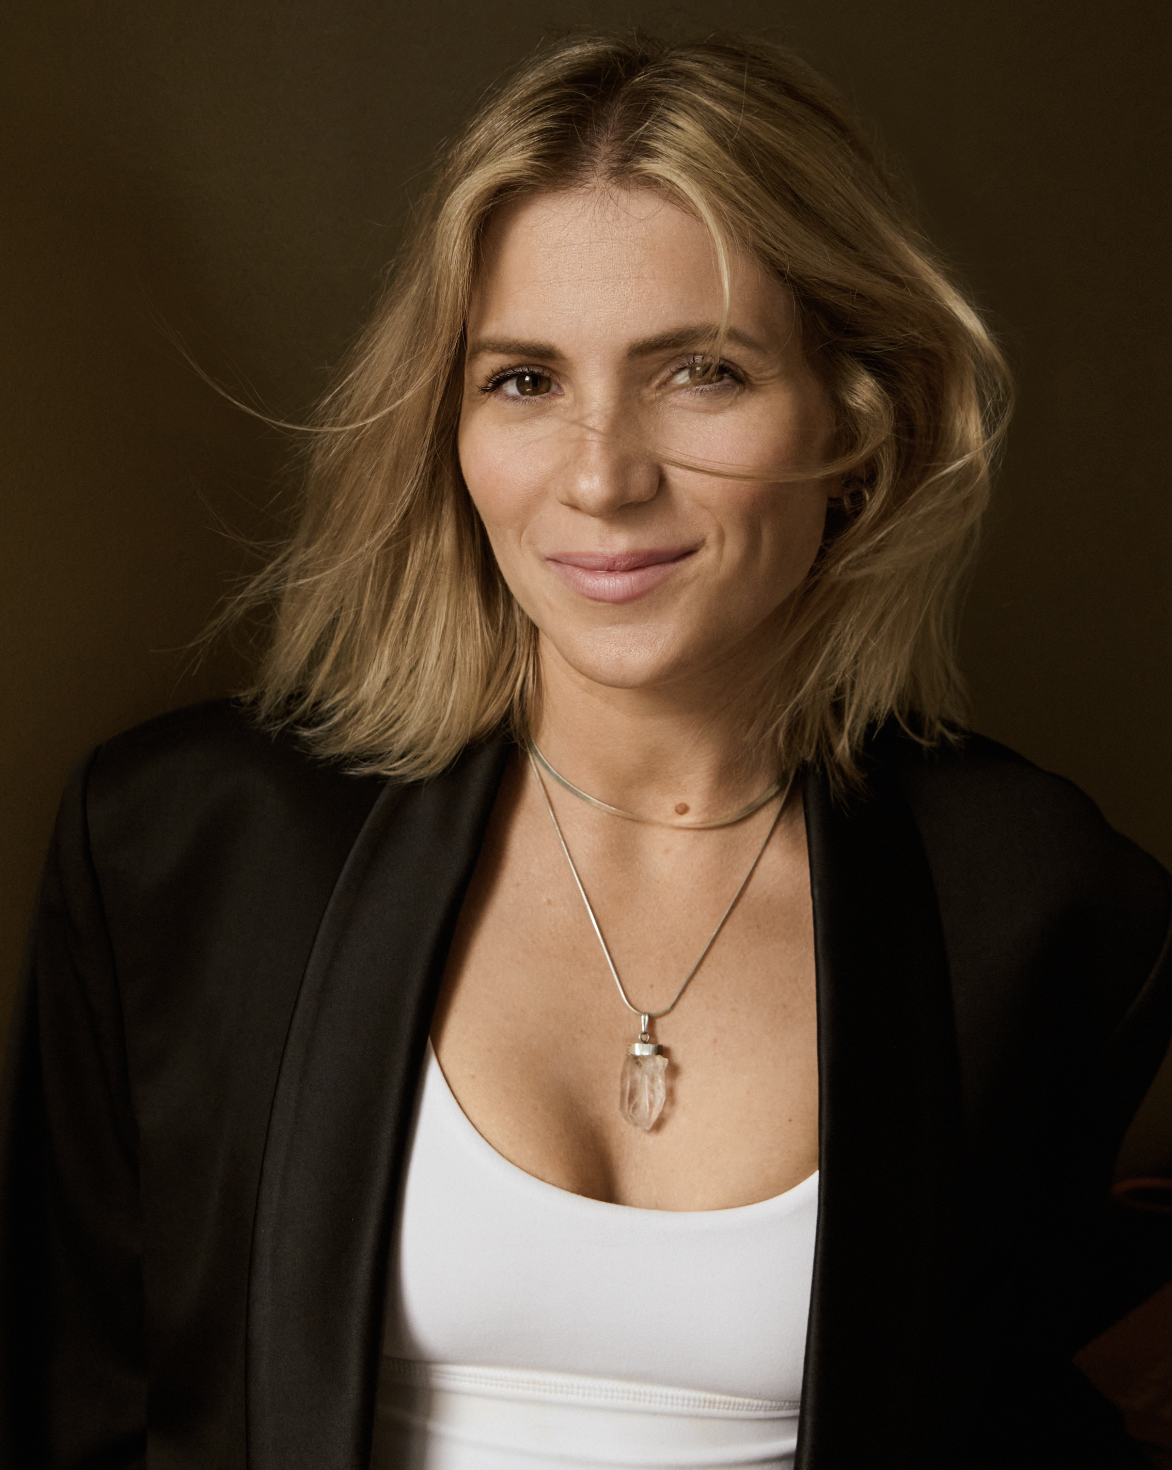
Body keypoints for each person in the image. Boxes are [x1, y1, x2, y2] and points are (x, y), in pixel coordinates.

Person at [1, 30, 1169, 1470]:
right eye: (524, 380)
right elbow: (76, 1422)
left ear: (858, 417)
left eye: (702, 372)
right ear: (449, 426)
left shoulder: (1048, 904)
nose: (603, 474)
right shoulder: (176, 848)